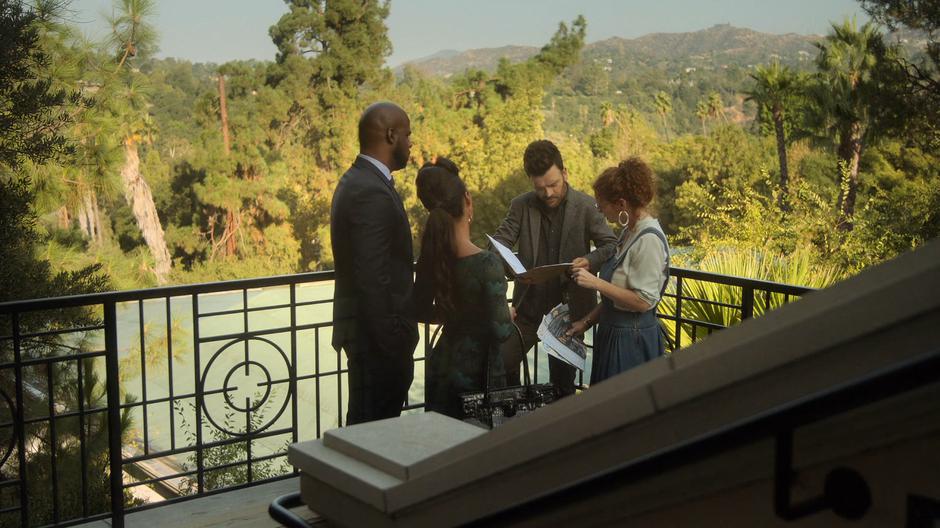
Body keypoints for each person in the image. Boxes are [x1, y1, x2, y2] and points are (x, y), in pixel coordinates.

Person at [492, 140, 617, 398]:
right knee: (501, 364)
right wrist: (508, 267)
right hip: (527, 309)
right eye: (540, 188)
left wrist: (589, 260)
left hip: (570, 316)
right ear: (531, 182)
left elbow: (610, 245)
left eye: (553, 185)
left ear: (565, 173)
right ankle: (513, 420)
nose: (548, 193)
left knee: (563, 388)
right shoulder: (520, 205)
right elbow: (499, 244)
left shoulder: (586, 205)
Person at [330, 102, 419, 425]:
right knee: (373, 434)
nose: (411, 143)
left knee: (368, 429)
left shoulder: (356, 180)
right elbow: (372, 277)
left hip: (367, 338)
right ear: (391, 134)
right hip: (377, 345)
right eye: (408, 135)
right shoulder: (370, 192)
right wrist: (396, 340)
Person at [414, 158, 515, 418]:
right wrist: (507, 313)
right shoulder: (486, 263)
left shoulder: (432, 258)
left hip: (441, 368)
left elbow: (421, 310)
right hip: (478, 375)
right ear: (467, 200)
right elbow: (501, 330)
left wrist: (454, 315)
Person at [567, 157, 670, 384]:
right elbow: (616, 296)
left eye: (601, 205)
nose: (600, 211)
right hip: (613, 334)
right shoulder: (628, 233)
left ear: (621, 204)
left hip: (631, 341)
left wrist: (596, 283)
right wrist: (585, 322)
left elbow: (643, 301)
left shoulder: (648, 240)